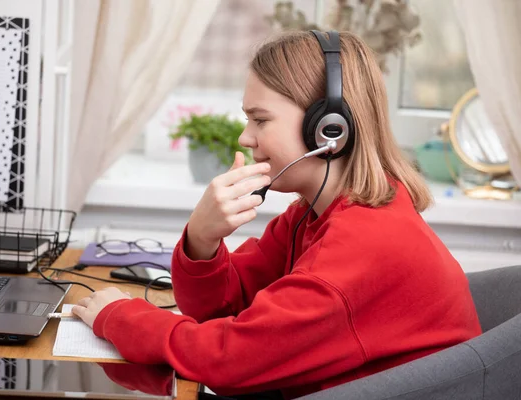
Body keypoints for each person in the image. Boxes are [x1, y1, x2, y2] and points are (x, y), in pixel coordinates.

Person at [72, 30, 482, 400]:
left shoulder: (364, 242)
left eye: (260, 119)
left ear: (329, 129)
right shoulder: (312, 214)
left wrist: (118, 317)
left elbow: (227, 362)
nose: (245, 137)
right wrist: (202, 239)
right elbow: (220, 311)